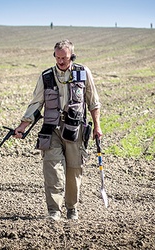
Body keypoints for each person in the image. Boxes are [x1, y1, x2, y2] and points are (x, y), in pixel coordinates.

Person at [14, 39, 102, 221]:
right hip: (51, 129)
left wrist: (97, 127)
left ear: (72, 56)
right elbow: (36, 103)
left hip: (75, 129)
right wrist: (23, 125)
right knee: (52, 169)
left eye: (65, 57)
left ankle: (72, 209)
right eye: (58, 57)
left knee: (74, 170)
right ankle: (54, 211)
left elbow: (93, 101)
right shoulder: (46, 76)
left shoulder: (83, 73)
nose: (61, 61)